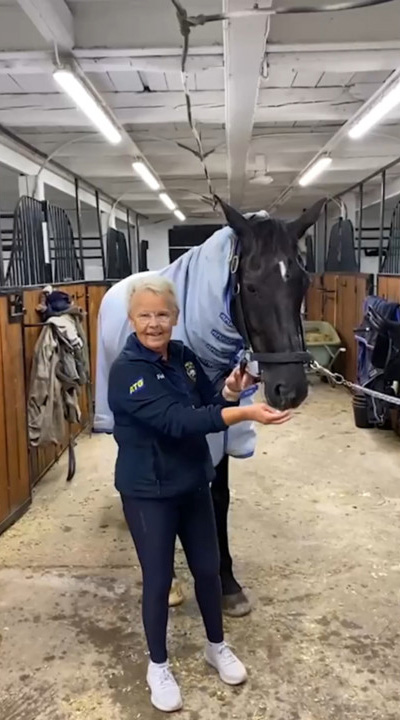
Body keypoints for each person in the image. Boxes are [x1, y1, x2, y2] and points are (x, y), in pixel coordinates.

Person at [108, 277, 291, 713]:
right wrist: (245, 411)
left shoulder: (184, 358)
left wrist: (232, 388)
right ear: (132, 320)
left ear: (174, 317)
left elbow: (207, 400)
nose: (154, 324)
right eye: (145, 315)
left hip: (191, 483)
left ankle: (216, 645)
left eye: (162, 314)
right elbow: (179, 422)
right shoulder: (128, 372)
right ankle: (158, 665)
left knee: (208, 570)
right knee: (157, 580)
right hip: (149, 491)